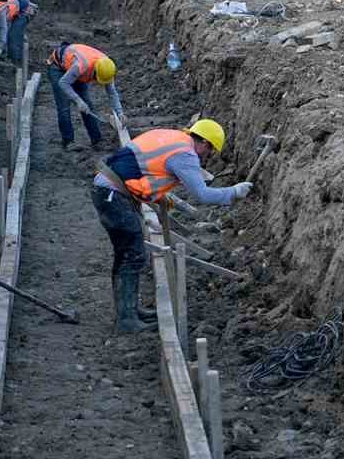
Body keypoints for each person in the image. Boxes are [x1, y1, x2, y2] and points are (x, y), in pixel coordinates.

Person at [91, 119, 251, 333]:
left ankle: (129, 311)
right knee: (132, 254)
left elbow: (143, 168)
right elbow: (202, 194)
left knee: (126, 253)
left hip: (107, 189)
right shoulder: (185, 154)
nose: (207, 156)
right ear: (203, 142)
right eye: (209, 149)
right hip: (113, 194)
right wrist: (234, 191)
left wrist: (158, 194)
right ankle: (127, 320)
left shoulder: (173, 138)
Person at [49, 41, 124, 150]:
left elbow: (112, 93)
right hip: (58, 67)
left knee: (87, 105)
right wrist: (78, 101)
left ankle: (97, 140)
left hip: (78, 70)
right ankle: (68, 142)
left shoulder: (106, 67)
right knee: (64, 107)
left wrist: (120, 113)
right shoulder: (81, 66)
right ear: (95, 72)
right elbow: (63, 83)